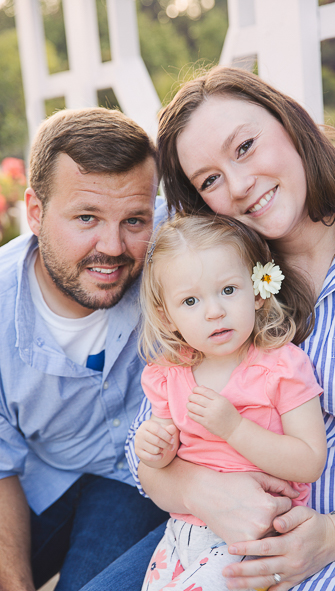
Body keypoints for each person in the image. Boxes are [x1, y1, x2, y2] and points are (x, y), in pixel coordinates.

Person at [83, 66, 335, 591]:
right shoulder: (216, 275)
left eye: (245, 146)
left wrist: (334, 536)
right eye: (209, 180)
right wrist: (205, 491)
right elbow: (148, 448)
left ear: (291, 123)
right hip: (215, 533)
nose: (240, 185)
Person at [0, 108, 169, 591]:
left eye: (134, 219)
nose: (112, 247)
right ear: (34, 211)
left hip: (143, 478)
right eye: (87, 217)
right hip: (46, 477)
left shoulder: (176, 243)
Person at [133, 215, 327, 590]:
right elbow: (165, 459)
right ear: (166, 316)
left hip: (254, 538)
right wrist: (154, 446)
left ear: (257, 291)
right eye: (190, 300)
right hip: (182, 531)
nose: (214, 311)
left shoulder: (281, 367)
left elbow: (309, 461)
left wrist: (234, 427)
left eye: (228, 290)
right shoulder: (168, 375)